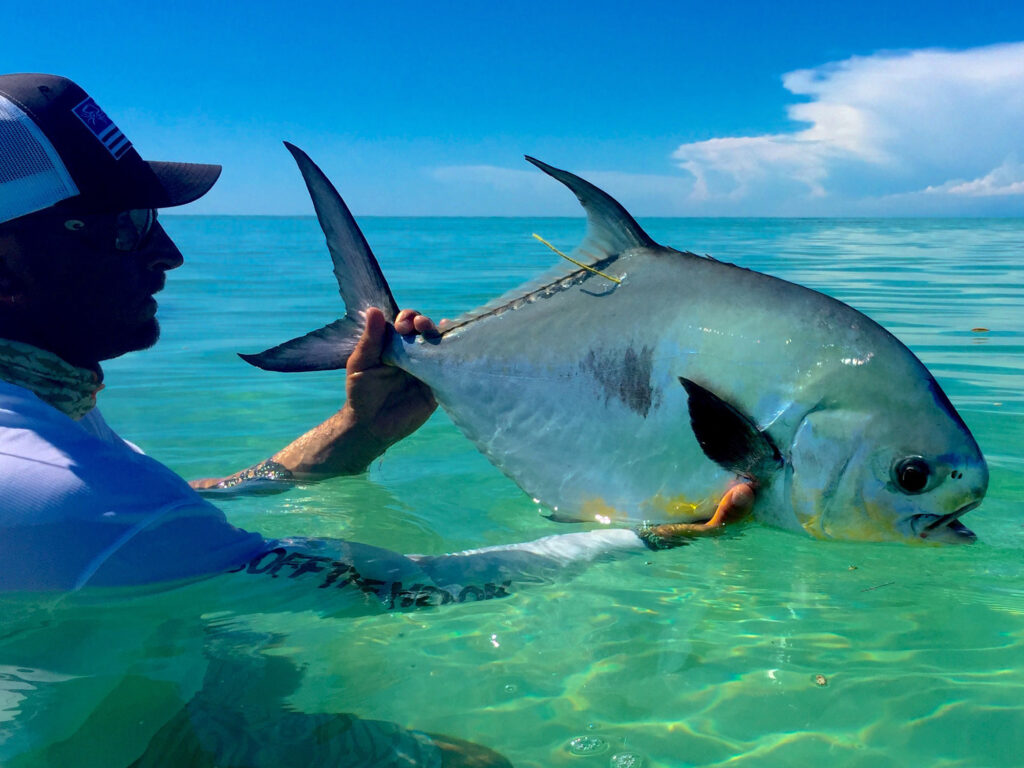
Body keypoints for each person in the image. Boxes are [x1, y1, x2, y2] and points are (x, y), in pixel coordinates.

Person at [0, 73, 756, 767]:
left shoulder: (51, 438)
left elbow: (188, 513)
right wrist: (660, 536)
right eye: (121, 223)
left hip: (130, 691)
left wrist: (356, 432)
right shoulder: (70, 493)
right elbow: (414, 588)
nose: (167, 253)